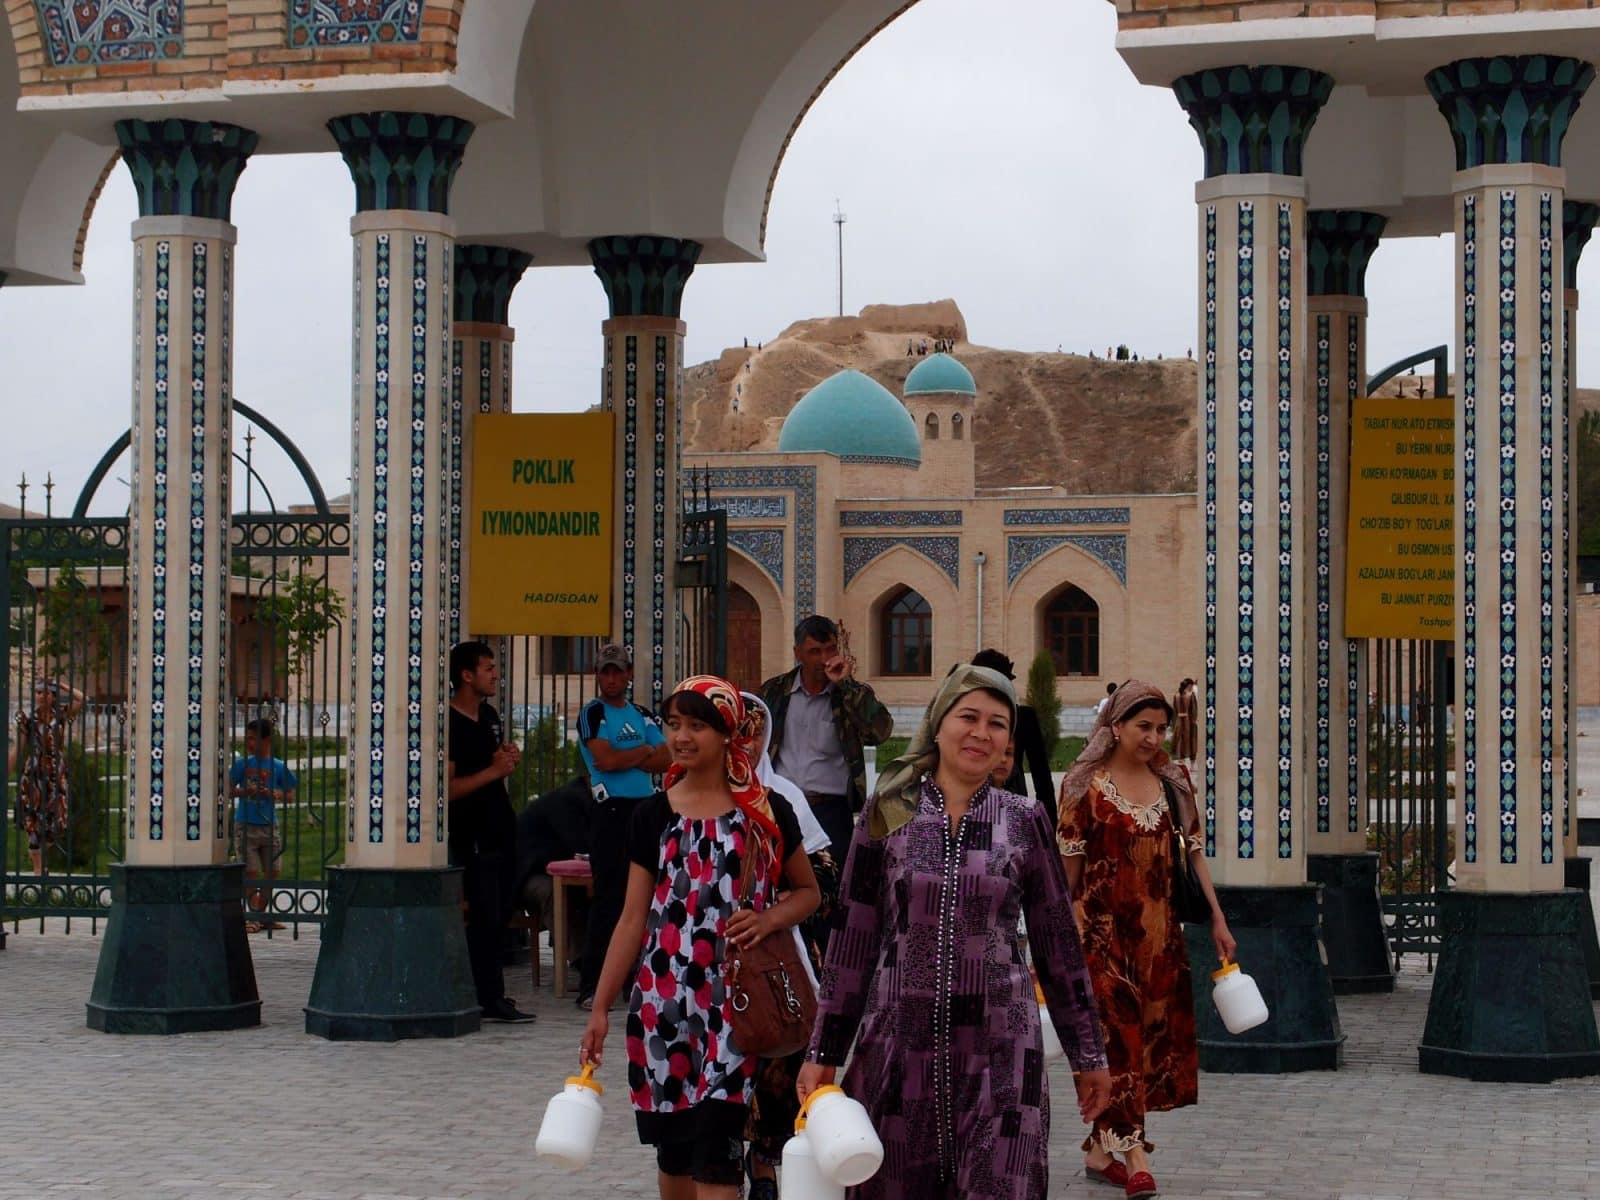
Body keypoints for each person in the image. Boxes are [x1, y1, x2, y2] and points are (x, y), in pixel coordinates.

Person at [796, 665, 1112, 1200]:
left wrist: (1089, 1056)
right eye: (969, 717)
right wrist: (824, 1048)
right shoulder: (888, 812)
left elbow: (1058, 944)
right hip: (899, 1048)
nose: (981, 733)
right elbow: (852, 940)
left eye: (997, 724)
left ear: (1008, 741)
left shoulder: (1024, 818)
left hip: (1002, 1052)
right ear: (939, 723)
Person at [580, 676, 820, 1200]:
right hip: (663, 1006)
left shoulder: (765, 813)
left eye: (696, 725)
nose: (682, 737)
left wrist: (768, 920)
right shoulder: (652, 815)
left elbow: (809, 892)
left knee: (717, 1154)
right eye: (673, 724)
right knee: (675, 1156)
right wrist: (600, 1007)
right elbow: (631, 919)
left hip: (735, 1006)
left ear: (728, 732)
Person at [1057, 681, 1237, 1198]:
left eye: (1161, 729)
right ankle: (1135, 1157)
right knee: (1116, 1043)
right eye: (1143, 727)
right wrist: (1057, 943)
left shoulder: (1174, 783)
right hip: (1099, 940)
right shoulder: (1083, 785)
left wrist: (1218, 918)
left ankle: (1099, 1152)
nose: (1154, 738)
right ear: (1115, 726)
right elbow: (1067, 875)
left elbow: (1194, 855)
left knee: (1146, 1048)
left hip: (1159, 941)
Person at [741, 692, 838, 1200]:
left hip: (781, 953)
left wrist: (776, 902)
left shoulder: (783, 797)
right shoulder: (685, 795)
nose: (748, 741)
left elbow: (823, 874)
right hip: (714, 957)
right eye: (739, 729)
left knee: (780, 1054)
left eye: (757, 732)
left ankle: (764, 1159)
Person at [759, 615, 892, 938]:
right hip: (779, 807)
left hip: (829, 810)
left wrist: (847, 686)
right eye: (814, 651)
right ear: (798, 653)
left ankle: (827, 961)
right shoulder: (775, 692)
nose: (823, 659)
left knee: (829, 895)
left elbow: (880, 732)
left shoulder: (848, 694)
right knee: (779, 887)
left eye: (830, 649)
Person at [575, 643, 673, 1009]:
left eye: (618, 671)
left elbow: (666, 758)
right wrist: (643, 752)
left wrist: (635, 756)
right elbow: (606, 760)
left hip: (644, 809)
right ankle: (592, 984)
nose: (612, 678)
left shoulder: (642, 714)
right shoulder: (594, 712)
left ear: (629, 674)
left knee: (646, 896)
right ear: (598, 675)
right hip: (611, 811)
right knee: (609, 898)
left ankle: (638, 978)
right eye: (606, 672)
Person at [446, 640, 535, 1024]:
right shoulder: (450, 723)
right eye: (488, 668)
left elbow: (494, 761)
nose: (495, 675)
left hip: (500, 827)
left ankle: (492, 992)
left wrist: (506, 760)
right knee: (481, 914)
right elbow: (449, 789)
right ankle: (485, 996)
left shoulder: (488, 715)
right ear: (467, 675)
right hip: (472, 833)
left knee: (499, 914)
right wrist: (493, 772)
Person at [514, 773, 593, 967]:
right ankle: (580, 958)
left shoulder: (580, 797)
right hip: (528, 874)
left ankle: (589, 955)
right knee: (554, 891)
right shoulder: (570, 800)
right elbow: (581, 844)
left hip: (549, 868)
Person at [971, 648, 1055, 823]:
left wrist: (1047, 823)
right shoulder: (966, 718)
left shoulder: (1023, 717)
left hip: (1013, 799)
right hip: (972, 802)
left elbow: (1041, 775)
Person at [8, 679, 82, 876]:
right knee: (32, 821)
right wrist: (7, 770)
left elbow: (81, 699)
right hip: (33, 775)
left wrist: (62, 685)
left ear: (53, 697)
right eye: (39, 692)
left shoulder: (61, 715)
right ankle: (39, 871)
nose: (41, 696)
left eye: (46, 693)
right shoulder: (28, 719)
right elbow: (18, 747)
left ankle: (39, 861)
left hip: (56, 774)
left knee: (56, 821)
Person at [228, 718, 296, 932]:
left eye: (252, 738)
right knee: (250, 872)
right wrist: (244, 791)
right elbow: (227, 789)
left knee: (273, 871)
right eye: (247, 738)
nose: (248, 743)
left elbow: (290, 795)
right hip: (245, 824)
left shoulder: (278, 766)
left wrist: (275, 794)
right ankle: (253, 917)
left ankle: (260, 914)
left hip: (268, 824)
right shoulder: (242, 765)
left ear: (266, 740)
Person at [1172, 678, 1199, 769]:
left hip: (1179, 722)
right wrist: (1194, 720)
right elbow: (1194, 710)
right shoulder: (1191, 695)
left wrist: (1175, 723)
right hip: (1189, 722)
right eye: (1191, 685)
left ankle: (1181, 763)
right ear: (1189, 685)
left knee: (1180, 741)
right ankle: (1192, 765)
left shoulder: (1176, 695)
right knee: (1192, 741)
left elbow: (1174, 711)